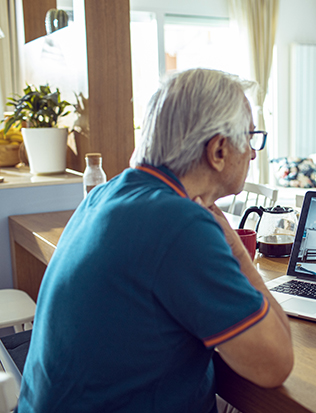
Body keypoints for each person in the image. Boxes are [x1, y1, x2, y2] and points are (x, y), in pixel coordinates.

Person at [17, 69, 293, 413]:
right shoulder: (180, 223)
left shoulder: (105, 193)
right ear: (219, 149)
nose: (253, 154)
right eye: (251, 138)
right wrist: (235, 248)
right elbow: (276, 364)